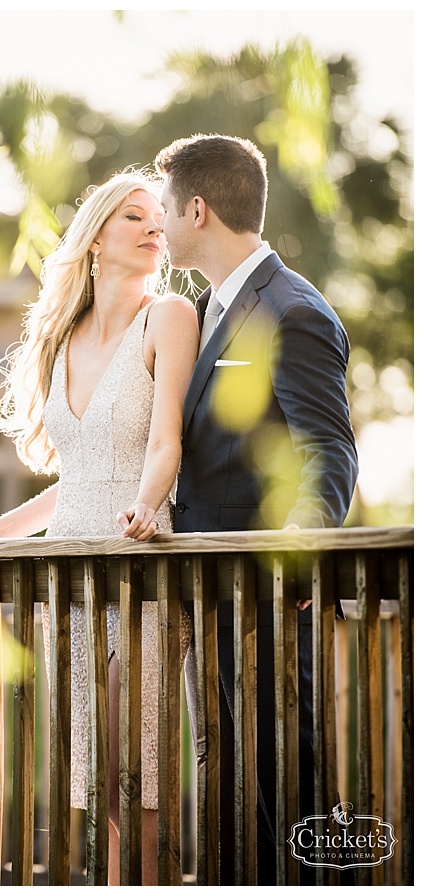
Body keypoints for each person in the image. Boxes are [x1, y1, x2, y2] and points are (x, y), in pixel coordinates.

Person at [0, 170, 199, 884]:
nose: (156, 227)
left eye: (159, 217)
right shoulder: (59, 339)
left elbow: (166, 444)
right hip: (70, 579)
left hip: (143, 565)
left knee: (139, 768)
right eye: (135, 216)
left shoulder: (170, 318)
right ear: (95, 238)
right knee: (94, 771)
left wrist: (149, 505)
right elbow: (78, 479)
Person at [154, 134, 359, 884]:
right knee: (231, 790)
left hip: (269, 598)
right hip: (208, 596)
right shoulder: (203, 309)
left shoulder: (292, 309)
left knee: (289, 781)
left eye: (167, 210)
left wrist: (298, 554)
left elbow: (327, 450)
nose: (162, 226)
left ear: (198, 209)